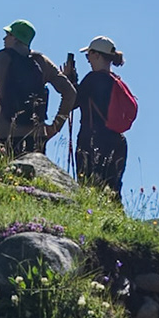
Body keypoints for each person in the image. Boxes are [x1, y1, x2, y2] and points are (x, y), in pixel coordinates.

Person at [0, 19, 76, 158]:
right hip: (36, 138)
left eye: (8, 34)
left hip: (2, 135)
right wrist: (55, 127)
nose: (4, 38)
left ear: (16, 38)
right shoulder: (42, 61)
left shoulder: (0, 59)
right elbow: (70, 93)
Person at [63, 35, 128, 197]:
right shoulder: (115, 80)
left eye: (89, 55)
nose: (88, 59)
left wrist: (68, 80)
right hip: (117, 142)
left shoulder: (93, 79)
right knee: (112, 190)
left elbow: (73, 102)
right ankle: (114, 220)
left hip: (92, 140)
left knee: (88, 188)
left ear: (97, 55)